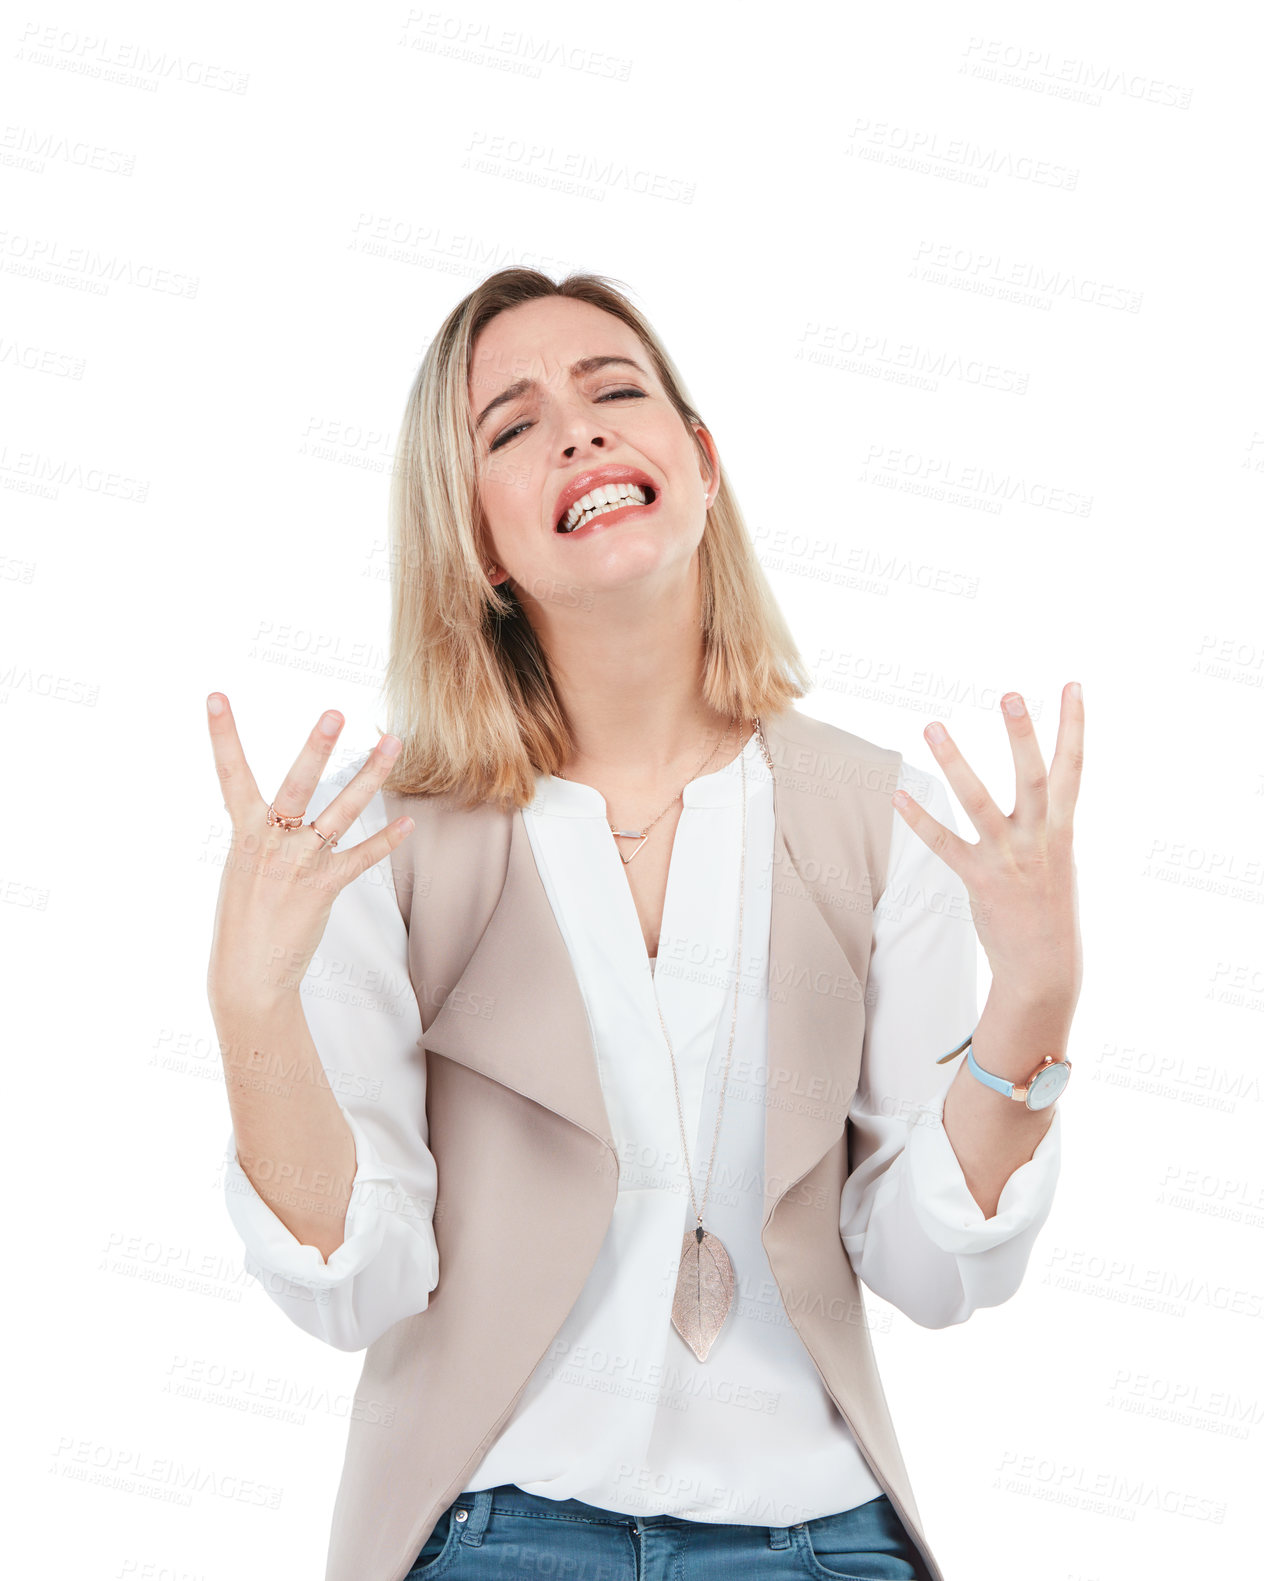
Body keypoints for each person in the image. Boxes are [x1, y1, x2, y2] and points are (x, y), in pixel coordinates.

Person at [205, 268, 1084, 1581]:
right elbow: (356, 1282)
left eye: (616, 389)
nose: (580, 427)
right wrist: (251, 1008)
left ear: (702, 462)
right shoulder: (377, 838)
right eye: (512, 425)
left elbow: (929, 1265)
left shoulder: (879, 816)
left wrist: (1036, 994)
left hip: (815, 1543)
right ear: (482, 543)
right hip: (491, 1533)